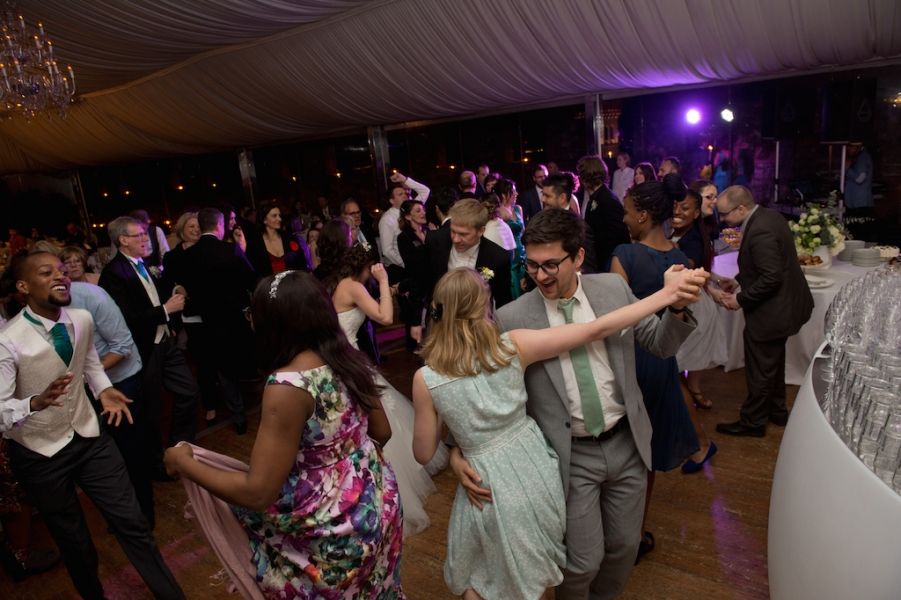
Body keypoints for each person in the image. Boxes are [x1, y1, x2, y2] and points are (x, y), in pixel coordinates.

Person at [450, 209, 702, 599]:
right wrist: (458, 451)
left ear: (578, 256)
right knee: (581, 561)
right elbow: (480, 389)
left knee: (624, 547)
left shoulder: (612, 290)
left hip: (627, 441)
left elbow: (660, 343)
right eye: (532, 265)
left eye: (551, 264)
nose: (541, 275)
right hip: (567, 453)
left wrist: (677, 307)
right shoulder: (513, 317)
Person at [164, 271, 404, 598]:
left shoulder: (288, 386)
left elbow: (258, 493)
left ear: (273, 324)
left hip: (334, 531)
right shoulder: (349, 357)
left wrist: (183, 463)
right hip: (378, 504)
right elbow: (382, 431)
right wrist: (350, 468)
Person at [1, 251, 184, 600]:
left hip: (89, 436)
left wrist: (103, 390)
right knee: (75, 542)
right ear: (23, 286)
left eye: (61, 270)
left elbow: (89, 363)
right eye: (46, 272)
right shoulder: (7, 340)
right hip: (41, 454)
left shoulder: (81, 318)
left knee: (133, 522)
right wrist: (33, 403)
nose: (60, 275)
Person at [611, 178, 711, 560]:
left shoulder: (624, 255)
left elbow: (618, 317)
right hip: (663, 360)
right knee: (647, 450)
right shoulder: (682, 259)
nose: (624, 219)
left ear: (642, 215)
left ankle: (614, 532)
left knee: (623, 447)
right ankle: (636, 534)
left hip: (630, 358)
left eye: (627, 211)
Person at [328, 244, 445, 536]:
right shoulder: (353, 286)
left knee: (384, 407)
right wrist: (382, 282)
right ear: (366, 266)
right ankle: (392, 481)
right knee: (381, 415)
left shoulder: (341, 283)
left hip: (348, 357)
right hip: (350, 361)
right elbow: (385, 318)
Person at [99, 216, 201, 473]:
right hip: (145, 347)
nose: (146, 239)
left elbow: (155, 295)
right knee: (152, 408)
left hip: (166, 341)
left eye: (146, 234)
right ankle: (158, 465)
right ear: (123, 240)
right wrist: (165, 311)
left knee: (189, 392)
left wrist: (172, 299)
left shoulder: (144, 265)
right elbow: (126, 318)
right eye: (140, 235)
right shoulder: (113, 274)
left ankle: (179, 448)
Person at [714, 186, 813, 437]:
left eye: (724, 214)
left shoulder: (759, 230)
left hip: (774, 311)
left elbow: (771, 278)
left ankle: (753, 422)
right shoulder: (770, 215)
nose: (722, 219)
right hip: (786, 305)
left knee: (760, 368)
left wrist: (740, 299)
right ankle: (777, 412)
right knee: (772, 363)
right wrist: (737, 280)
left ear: (741, 209)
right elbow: (765, 264)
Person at [176, 208, 256, 434]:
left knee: (222, 370)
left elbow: (187, 289)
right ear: (219, 225)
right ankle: (252, 408)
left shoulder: (188, 256)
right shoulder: (230, 250)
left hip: (207, 322)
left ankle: (238, 417)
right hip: (234, 319)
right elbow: (251, 280)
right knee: (238, 364)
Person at [671, 189, 728, 415]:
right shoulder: (675, 231)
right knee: (680, 352)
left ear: (696, 213)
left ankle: (691, 392)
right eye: (675, 206)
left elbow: (689, 266)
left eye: (684, 208)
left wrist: (665, 249)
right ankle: (685, 391)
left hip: (692, 304)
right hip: (681, 299)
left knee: (690, 352)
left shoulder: (693, 238)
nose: (677, 211)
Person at [425, 198, 513, 309]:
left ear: (481, 231)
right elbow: (425, 282)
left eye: (463, 234)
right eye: (453, 231)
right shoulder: (435, 241)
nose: (455, 239)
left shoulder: (498, 257)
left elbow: (503, 300)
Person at [577, 154, 630, 272]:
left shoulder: (607, 199)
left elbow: (618, 237)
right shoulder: (596, 197)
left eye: (581, 175)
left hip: (608, 263)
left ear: (586, 177)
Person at [381, 172, 431, 284]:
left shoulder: (413, 208)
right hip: (400, 269)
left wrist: (404, 180)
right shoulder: (387, 219)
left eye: (406, 193)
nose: (405, 195)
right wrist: (406, 263)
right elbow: (387, 250)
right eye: (400, 194)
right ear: (392, 201)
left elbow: (425, 191)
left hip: (419, 266)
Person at [397, 200, 430, 347]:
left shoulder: (429, 231)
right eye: (418, 211)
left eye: (423, 209)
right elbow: (412, 264)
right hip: (417, 286)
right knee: (416, 326)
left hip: (432, 284)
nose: (423, 213)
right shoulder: (404, 237)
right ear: (408, 216)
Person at [495, 178, 526, 299]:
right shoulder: (498, 212)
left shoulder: (518, 208)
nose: (516, 193)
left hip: (522, 253)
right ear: (504, 195)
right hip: (509, 254)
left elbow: (523, 231)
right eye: (513, 191)